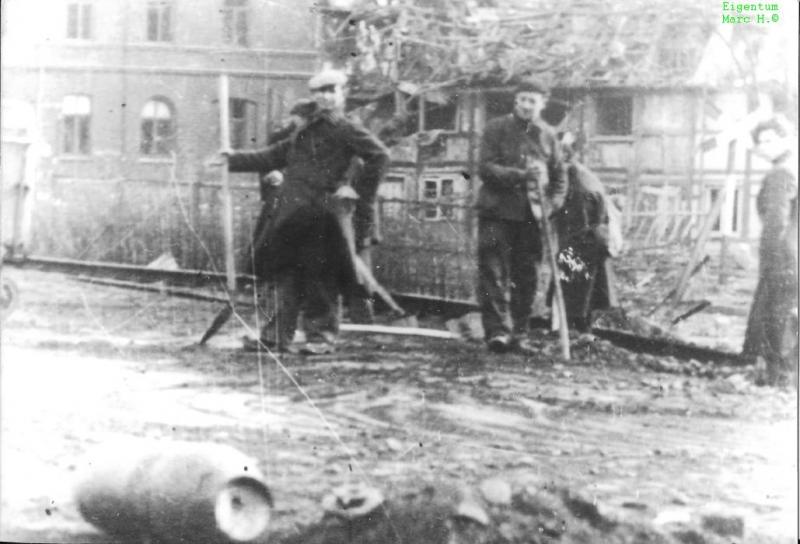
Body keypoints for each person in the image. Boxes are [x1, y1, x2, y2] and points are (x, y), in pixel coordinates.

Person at [223, 68, 389, 354]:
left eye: (330, 90)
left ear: (342, 93)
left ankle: (321, 338)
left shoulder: (347, 128)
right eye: (319, 92)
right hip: (294, 213)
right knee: (286, 274)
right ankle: (276, 337)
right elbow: (275, 154)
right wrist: (233, 159)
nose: (325, 96)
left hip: (324, 215)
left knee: (321, 276)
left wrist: (356, 189)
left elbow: (380, 156)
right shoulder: (306, 129)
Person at [476, 78, 567, 353]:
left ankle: (520, 332)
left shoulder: (549, 135)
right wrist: (519, 175)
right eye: (522, 99)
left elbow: (560, 177)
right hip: (497, 212)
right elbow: (485, 167)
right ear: (516, 101)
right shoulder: (496, 129)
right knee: (493, 273)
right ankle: (497, 332)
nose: (527, 105)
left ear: (543, 104)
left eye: (533, 101)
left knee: (526, 275)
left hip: (532, 216)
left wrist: (552, 205)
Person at [741, 118, 798, 386]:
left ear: (786, 139)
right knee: (786, 315)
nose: (763, 147)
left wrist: (768, 257)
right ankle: (785, 376)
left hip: (781, 256)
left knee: (776, 316)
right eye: (760, 142)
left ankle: (777, 378)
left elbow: (776, 220)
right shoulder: (792, 168)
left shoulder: (781, 173)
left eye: (770, 140)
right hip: (791, 254)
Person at [548, 132, 617, 332]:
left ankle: (574, 334)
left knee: (576, 298)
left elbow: (576, 226)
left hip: (582, 244)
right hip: (589, 242)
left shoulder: (576, 182)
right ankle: (578, 331)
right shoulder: (582, 175)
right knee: (582, 299)